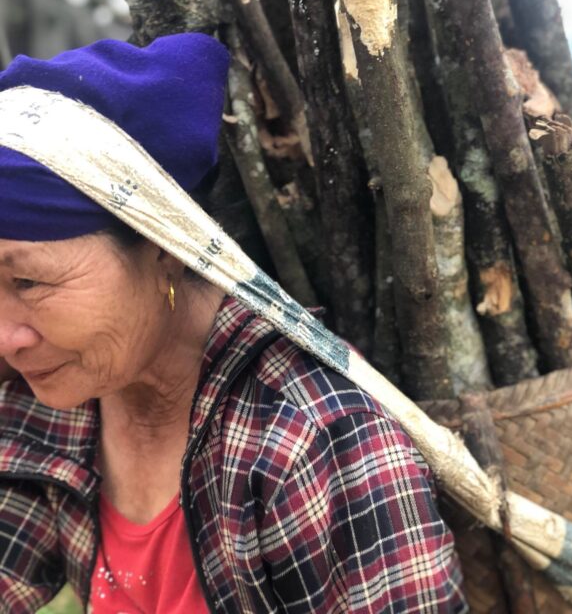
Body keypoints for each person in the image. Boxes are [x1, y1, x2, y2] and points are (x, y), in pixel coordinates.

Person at [0, 33, 467, 613]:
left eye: (28, 283)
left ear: (163, 243)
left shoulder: (313, 443)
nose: (7, 336)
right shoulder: (55, 394)